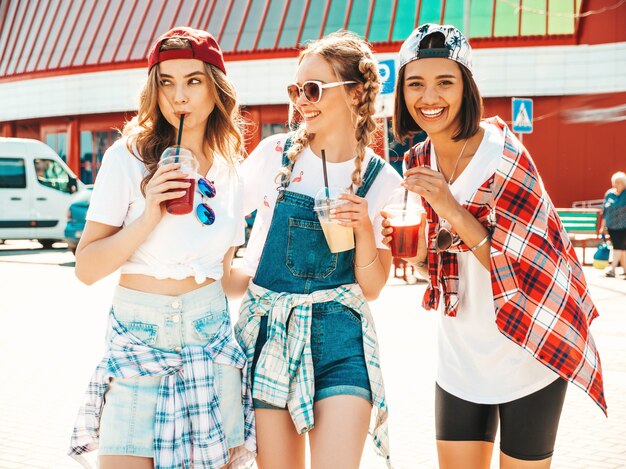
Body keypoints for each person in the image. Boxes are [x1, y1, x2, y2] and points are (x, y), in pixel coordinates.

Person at [382, 24, 606, 469]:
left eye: (445, 82)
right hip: (461, 354)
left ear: (467, 88)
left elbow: (525, 269)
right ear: (402, 94)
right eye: (416, 83)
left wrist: (449, 206)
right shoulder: (417, 160)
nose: (430, 97)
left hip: (530, 346)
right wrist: (418, 253)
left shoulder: (504, 154)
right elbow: (446, 265)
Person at [68, 27, 254, 469]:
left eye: (193, 80)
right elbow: (87, 268)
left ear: (216, 87)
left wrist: (292, 277)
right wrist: (150, 213)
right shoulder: (126, 157)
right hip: (140, 338)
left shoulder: (230, 170)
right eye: (166, 82)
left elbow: (225, 278)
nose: (178, 96)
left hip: (209, 337)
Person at [232, 32, 402, 469]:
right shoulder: (274, 156)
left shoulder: (383, 182)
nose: (301, 102)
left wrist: (364, 226)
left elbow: (375, 286)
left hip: (341, 339)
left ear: (356, 92)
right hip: (272, 333)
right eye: (295, 90)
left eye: (312, 90)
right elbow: (216, 217)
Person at [602, 171, 626, 278]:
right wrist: (603, 226)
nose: (617, 184)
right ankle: (625, 270)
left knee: (618, 247)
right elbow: (605, 211)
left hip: (623, 226)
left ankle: (612, 269)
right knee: (622, 248)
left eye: (620, 182)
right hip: (612, 225)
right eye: (615, 182)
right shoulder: (609, 194)